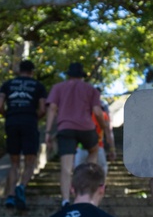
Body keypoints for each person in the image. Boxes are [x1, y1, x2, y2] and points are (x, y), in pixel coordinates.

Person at [45, 62, 115, 207]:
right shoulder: (91, 89)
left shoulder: (58, 88)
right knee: (94, 149)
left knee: (66, 167)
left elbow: (52, 108)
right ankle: (88, 178)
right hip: (86, 128)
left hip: (65, 128)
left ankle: (65, 200)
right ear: (82, 76)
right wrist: (104, 125)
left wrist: (48, 132)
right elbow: (97, 111)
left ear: (68, 75)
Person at [0, 59, 47, 210]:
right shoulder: (38, 86)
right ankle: (22, 187)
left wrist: (7, 114)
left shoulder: (8, 84)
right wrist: (33, 117)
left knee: (14, 162)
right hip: (29, 122)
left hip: (12, 122)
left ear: (19, 70)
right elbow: (43, 108)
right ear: (32, 72)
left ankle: (10, 195)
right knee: (30, 161)